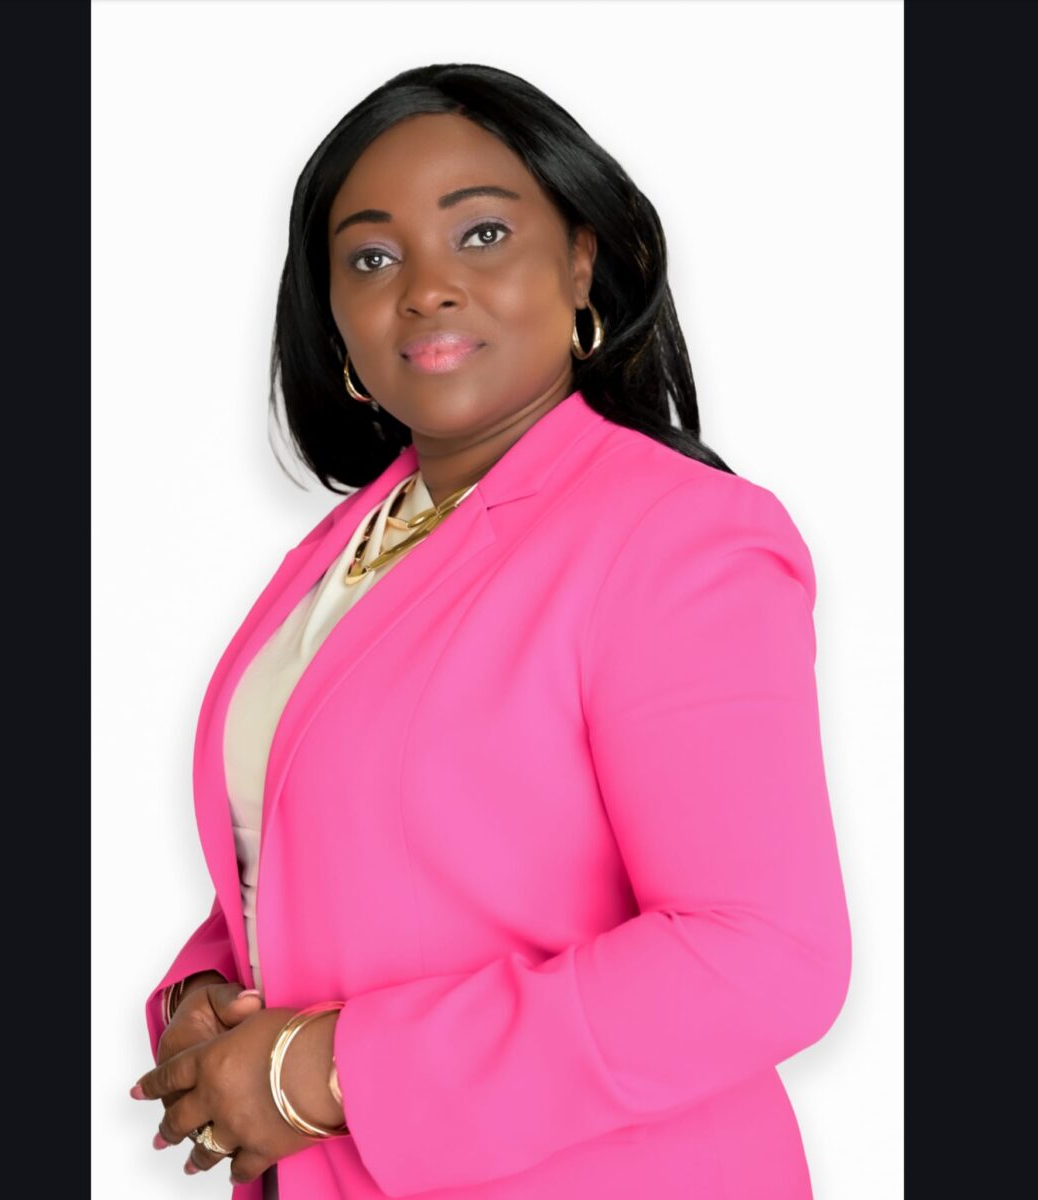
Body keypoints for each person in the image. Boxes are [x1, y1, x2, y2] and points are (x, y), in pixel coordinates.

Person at [130, 62, 851, 1200]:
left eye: (480, 235)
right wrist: (204, 999)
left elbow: (759, 956)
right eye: (372, 258)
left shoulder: (676, 536)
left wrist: (323, 1072)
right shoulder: (348, 549)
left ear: (580, 262)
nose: (426, 288)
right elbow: (314, 854)